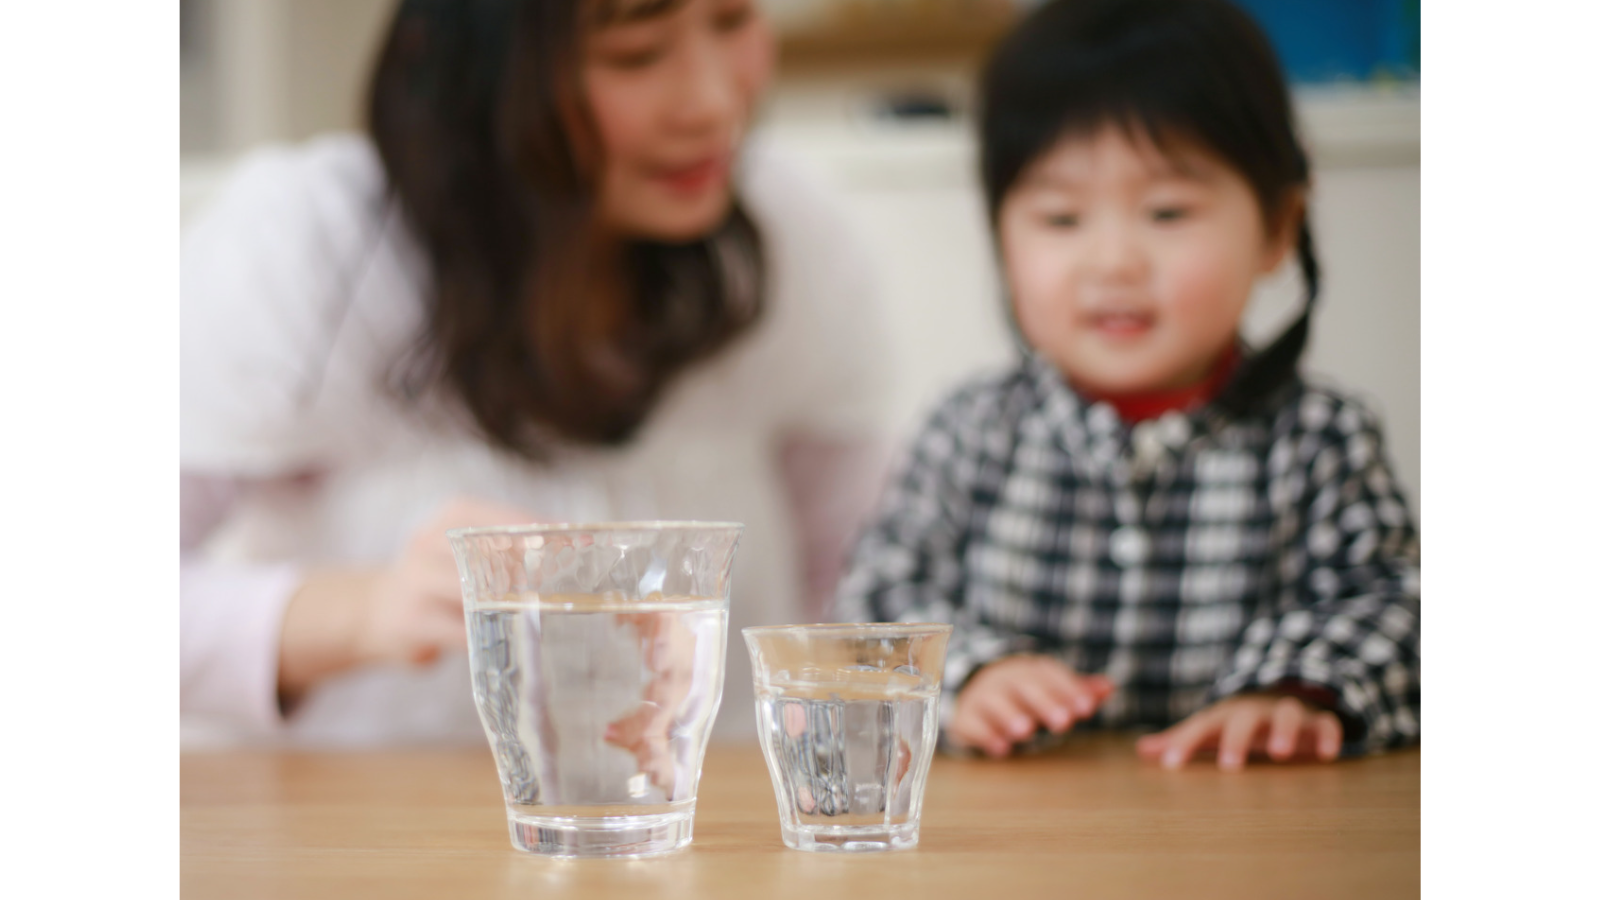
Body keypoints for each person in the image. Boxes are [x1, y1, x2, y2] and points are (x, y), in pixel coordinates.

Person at [180, 0, 889, 746]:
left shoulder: (786, 230)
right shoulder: (307, 243)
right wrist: (366, 610)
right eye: (637, 55)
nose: (713, 103)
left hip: (707, 831)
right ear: (477, 72)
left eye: (735, 21)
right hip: (360, 839)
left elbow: (865, 579)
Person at [834, 0, 1421, 770]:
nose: (1113, 262)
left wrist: (1294, 690)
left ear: (1279, 226)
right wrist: (973, 671)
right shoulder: (970, 430)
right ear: (1001, 237)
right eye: (1061, 217)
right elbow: (870, 606)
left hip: (1248, 838)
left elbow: (1392, 607)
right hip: (1016, 848)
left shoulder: (1320, 439)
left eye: (1167, 211)